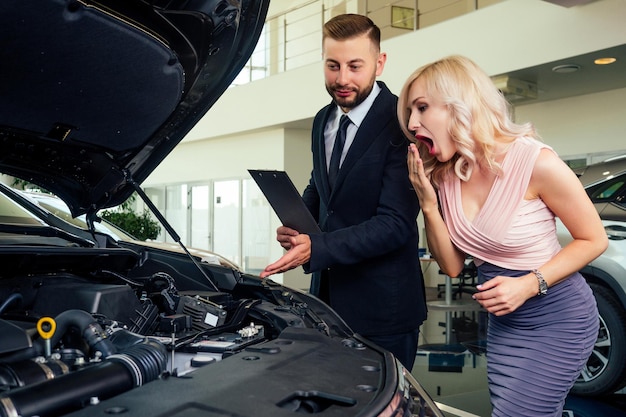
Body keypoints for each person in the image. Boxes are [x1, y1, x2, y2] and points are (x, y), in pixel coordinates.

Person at [397, 55, 608, 416]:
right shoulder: (446, 175)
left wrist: (528, 284)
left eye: (421, 108)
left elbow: (594, 239)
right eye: (410, 113)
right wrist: (429, 206)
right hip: (506, 324)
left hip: (558, 317)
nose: (412, 123)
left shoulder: (535, 162)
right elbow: (450, 266)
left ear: (459, 105)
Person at [260, 14, 427, 370]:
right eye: (333, 65)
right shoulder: (323, 119)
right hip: (326, 302)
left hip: (384, 309)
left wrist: (317, 247)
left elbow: (395, 223)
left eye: (355, 66)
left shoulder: (402, 121)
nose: (342, 79)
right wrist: (298, 223)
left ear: (379, 63)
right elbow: (321, 188)